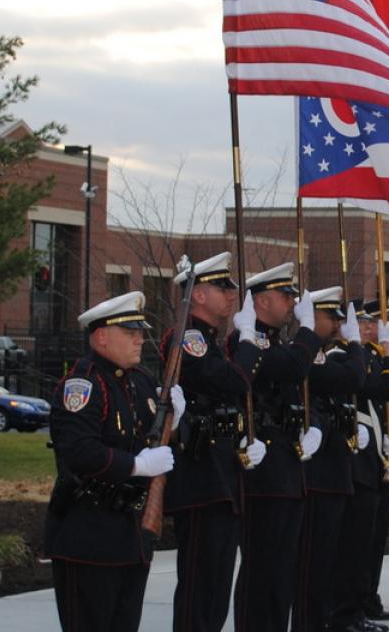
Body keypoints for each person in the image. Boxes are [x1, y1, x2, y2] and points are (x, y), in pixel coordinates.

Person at [44, 291, 182, 631]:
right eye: (130, 332)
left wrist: (178, 421)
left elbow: (159, 440)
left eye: (140, 331)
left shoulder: (142, 382)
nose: (139, 339)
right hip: (89, 535)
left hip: (131, 537)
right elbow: (80, 452)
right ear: (101, 336)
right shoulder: (84, 384)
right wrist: (137, 466)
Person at [165, 252, 268, 632]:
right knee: (199, 584)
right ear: (198, 295)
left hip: (222, 475)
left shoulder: (211, 341)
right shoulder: (187, 338)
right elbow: (232, 381)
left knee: (217, 583)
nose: (231, 294)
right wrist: (248, 340)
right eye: (222, 287)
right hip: (200, 477)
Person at [232, 263, 322, 632]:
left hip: (288, 468)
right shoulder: (247, 342)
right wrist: (309, 331)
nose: (291, 303)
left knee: (283, 568)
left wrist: (313, 425)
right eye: (285, 296)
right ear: (262, 300)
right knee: (261, 568)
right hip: (263, 473)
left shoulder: (280, 343)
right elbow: (291, 369)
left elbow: (302, 393)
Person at [293, 288, 364, 632]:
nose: (338, 324)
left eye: (340, 318)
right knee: (311, 568)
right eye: (331, 317)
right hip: (316, 477)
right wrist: (356, 345)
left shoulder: (320, 354)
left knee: (325, 565)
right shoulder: (310, 356)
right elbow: (355, 377)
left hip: (333, 473)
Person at [332, 300, 389, 632]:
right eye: (363, 322)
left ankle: (361, 603)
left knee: (368, 541)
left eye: (374, 323)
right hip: (354, 461)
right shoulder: (342, 358)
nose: (370, 327)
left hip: (374, 455)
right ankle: (348, 610)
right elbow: (384, 386)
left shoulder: (365, 358)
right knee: (353, 545)